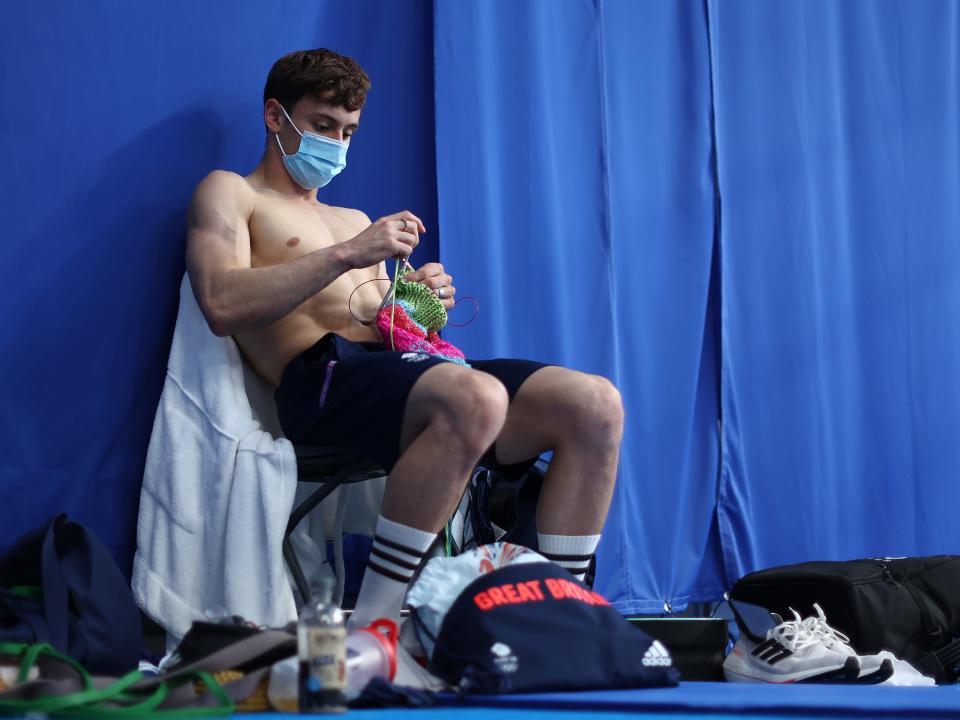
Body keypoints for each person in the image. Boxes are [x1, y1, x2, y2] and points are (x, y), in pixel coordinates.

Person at [186, 48, 623, 629]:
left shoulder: (352, 215)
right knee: (475, 396)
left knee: (593, 404)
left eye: (347, 132)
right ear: (274, 116)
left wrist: (416, 303)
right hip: (318, 382)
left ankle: (562, 627)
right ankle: (379, 629)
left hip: (401, 374)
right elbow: (220, 302)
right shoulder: (232, 193)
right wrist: (349, 255)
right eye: (322, 126)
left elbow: (386, 329)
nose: (336, 144)